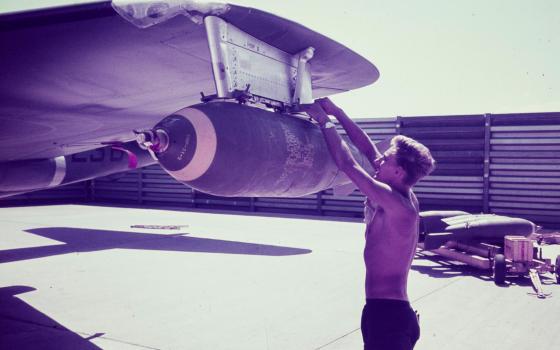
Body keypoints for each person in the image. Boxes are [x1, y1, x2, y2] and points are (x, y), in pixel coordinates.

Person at [304, 98, 435, 350]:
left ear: (398, 172)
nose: (378, 161)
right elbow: (366, 148)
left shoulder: (399, 207)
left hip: (389, 319)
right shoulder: (398, 188)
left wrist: (323, 121)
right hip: (382, 312)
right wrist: (337, 111)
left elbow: (348, 165)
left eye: (386, 160)